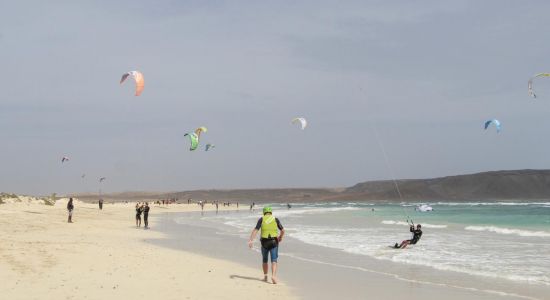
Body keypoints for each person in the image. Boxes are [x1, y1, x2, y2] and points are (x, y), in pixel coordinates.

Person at [248, 206, 285, 284]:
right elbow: (283, 230)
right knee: (274, 260)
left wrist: (251, 240)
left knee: (265, 260)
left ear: (264, 212)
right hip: (274, 242)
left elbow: (256, 230)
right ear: (271, 212)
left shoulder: (261, 219)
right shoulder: (275, 219)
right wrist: (280, 237)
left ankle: (265, 276)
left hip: (264, 242)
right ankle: (274, 276)